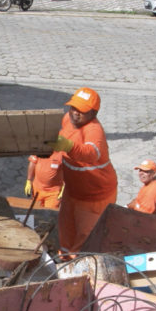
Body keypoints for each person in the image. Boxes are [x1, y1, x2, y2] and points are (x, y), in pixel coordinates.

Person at [48, 87, 118, 257]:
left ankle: (76, 266)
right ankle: (63, 258)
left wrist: (69, 146)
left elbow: (91, 153)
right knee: (66, 229)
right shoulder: (68, 119)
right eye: (73, 107)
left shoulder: (94, 130)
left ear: (93, 113)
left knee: (85, 236)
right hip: (73, 191)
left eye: (81, 111)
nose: (75, 113)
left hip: (94, 197)